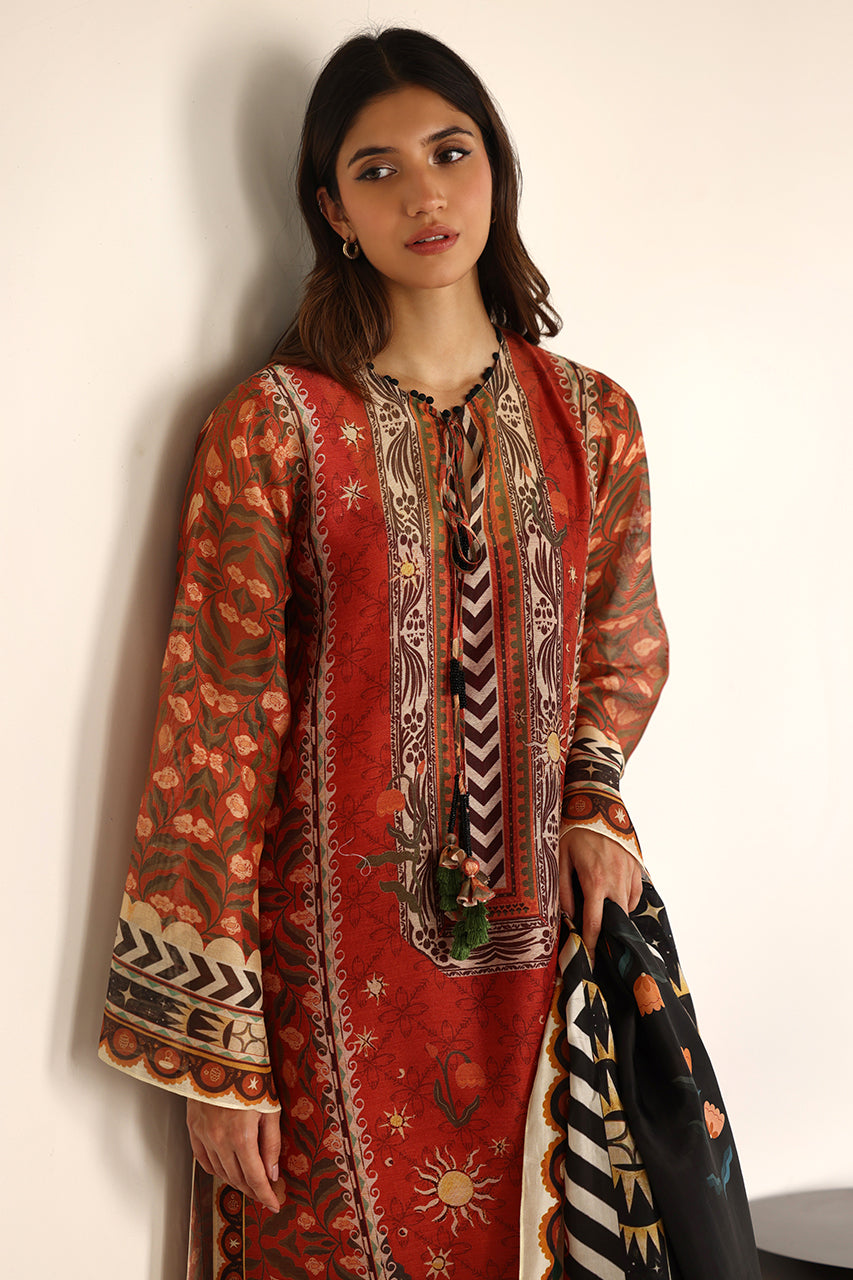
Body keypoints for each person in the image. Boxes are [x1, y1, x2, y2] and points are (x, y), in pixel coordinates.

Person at [100, 28, 760, 1280]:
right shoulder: (275, 428)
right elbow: (214, 722)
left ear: (495, 168)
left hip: (541, 959)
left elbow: (620, 640)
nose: (423, 194)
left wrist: (594, 798)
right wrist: (213, 1044)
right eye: (378, 169)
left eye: (450, 153)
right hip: (321, 989)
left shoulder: (591, 421)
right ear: (331, 210)